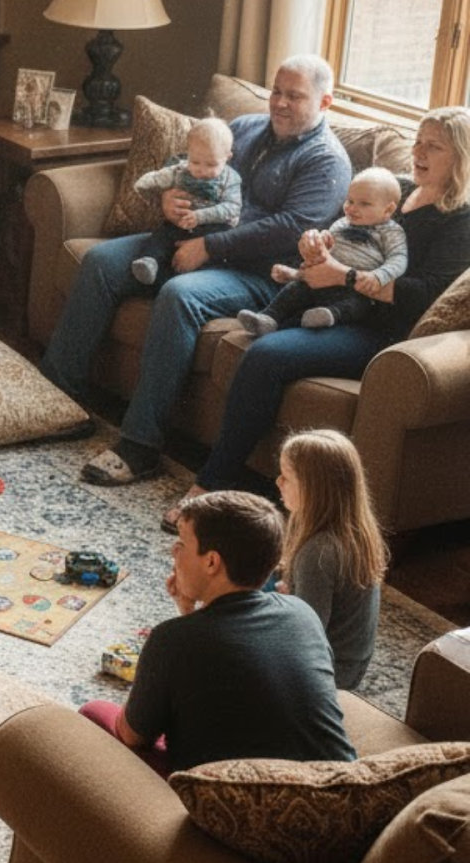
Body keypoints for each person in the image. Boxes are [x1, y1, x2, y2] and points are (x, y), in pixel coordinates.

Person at [39, 55, 351, 487]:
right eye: (277, 91)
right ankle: (56, 397)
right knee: (101, 262)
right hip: (191, 240)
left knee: (180, 295)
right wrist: (168, 197)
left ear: (325, 101)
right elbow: (184, 163)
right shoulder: (244, 129)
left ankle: (140, 445)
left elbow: (289, 230)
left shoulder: (326, 161)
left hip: (262, 274)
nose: (279, 102)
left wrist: (211, 245)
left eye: (294, 96)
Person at [175, 107, 470, 523]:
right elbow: (350, 234)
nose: (419, 151)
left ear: (458, 156)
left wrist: (344, 275)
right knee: (255, 335)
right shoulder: (398, 191)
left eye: (433, 146)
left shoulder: (460, 220)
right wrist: (318, 250)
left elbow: (422, 295)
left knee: (267, 354)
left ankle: (213, 482)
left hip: (383, 333)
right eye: (418, 140)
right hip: (338, 306)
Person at [78, 491, 355, 775]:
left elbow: (131, 736)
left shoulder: (171, 639)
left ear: (212, 562)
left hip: (244, 805)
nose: (174, 552)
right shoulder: (302, 613)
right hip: (337, 789)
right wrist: (187, 610)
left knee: (95, 712)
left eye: (182, 543)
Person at [274, 430, 387, 690]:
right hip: (352, 664)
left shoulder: (318, 553)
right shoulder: (356, 532)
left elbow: (305, 637)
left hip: (328, 674)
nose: (278, 481)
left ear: (314, 489)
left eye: (287, 477)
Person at [239, 167, 407, 334]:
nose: (352, 208)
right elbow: (325, 258)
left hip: (352, 288)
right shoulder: (341, 223)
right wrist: (322, 245)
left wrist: (380, 275)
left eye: (364, 204)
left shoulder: (391, 232)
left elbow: (399, 259)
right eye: (350, 201)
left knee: (356, 304)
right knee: (295, 289)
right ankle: (268, 318)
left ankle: (327, 316)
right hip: (320, 281)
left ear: (388, 210)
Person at [129, 117, 243, 288]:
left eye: (211, 164)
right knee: (162, 235)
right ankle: (149, 262)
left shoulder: (231, 179)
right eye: (195, 162)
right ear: (188, 153)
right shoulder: (181, 169)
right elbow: (162, 176)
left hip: (212, 229)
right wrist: (144, 183)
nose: (202, 171)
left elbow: (232, 208)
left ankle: (184, 278)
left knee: (218, 245)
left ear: (227, 157)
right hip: (180, 224)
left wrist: (200, 216)